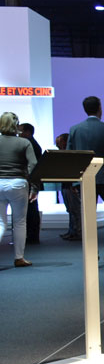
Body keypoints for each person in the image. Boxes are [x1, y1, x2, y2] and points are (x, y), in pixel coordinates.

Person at [67, 96, 104, 263]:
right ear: (100, 108)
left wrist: (72, 180)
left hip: (85, 179)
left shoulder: (74, 129)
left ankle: (91, 252)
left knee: (88, 216)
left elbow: (70, 155)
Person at [0, 112, 37, 267]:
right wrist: (34, 186)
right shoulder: (24, 142)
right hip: (18, 183)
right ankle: (19, 257)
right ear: (16, 125)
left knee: (0, 222)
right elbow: (33, 164)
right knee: (20, 222)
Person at [18, 123, 42, 244]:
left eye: (21, 131)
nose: (18, 133)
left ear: (28, 132)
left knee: (30, 209)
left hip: (29, 180)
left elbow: (32, 165)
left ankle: (32, 236)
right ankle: (32, 235)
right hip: (31, 181)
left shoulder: (29, 144)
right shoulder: (32, 143)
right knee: (31, 209)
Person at [56, 133, 81, 241]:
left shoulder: (72, 154)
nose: (58, 145)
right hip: (66, 184)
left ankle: (77, 232)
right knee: (71, 209)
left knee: (75, 210)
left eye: (60, 142)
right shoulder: (65, 154)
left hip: (71, 185)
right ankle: (72, 231)